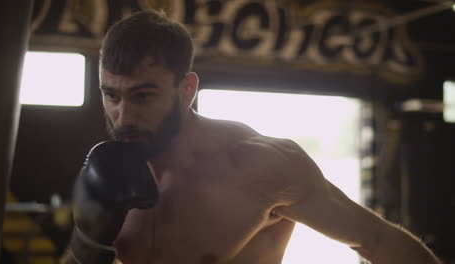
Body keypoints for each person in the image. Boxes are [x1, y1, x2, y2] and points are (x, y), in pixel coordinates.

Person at [62, 9, 442, 264]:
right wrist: (88, 243)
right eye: (111, 95)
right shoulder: (103, 170)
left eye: (144, 96)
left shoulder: (259, 166)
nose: (123, 116)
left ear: (187, 89)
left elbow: (375, 240)